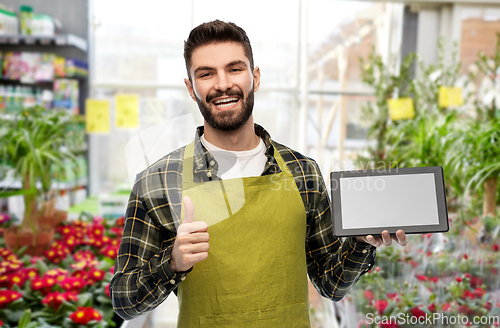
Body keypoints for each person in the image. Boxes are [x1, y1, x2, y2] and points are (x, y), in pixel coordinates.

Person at [110, 19, 407, 327]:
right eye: (206, 73)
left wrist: (360, 242)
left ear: (255, 77)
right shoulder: (157, 181)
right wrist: (172, 263)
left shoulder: (302, 171)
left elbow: (331, 284)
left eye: (234, 69)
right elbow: (124, 302)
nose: (222, 83)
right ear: (190, 88)